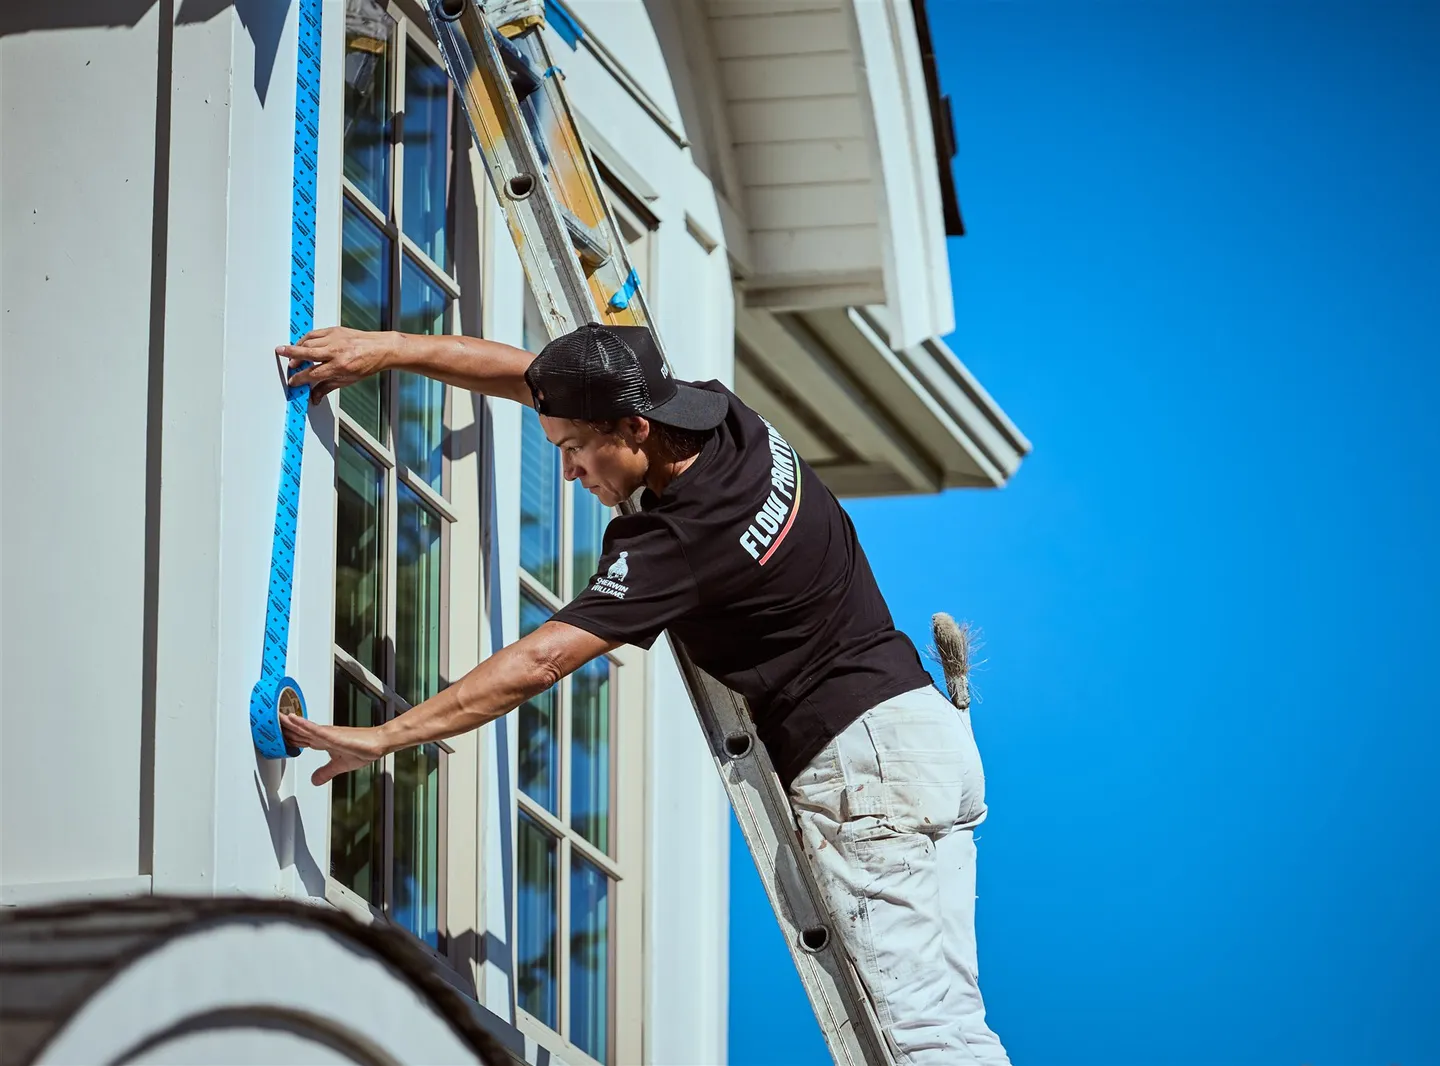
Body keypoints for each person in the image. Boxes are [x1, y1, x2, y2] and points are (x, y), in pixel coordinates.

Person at [276, 322, 1011, 1066]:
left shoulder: (681, 541)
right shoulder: (725, 416)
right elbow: (531, 376)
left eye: (571, 451)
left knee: (922, 1040)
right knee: (953, 1024)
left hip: (863, 769)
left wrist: (383, 737)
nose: (566, 473)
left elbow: (540, 661)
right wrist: (389, 349)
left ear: (634, 426)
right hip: (925, 733)